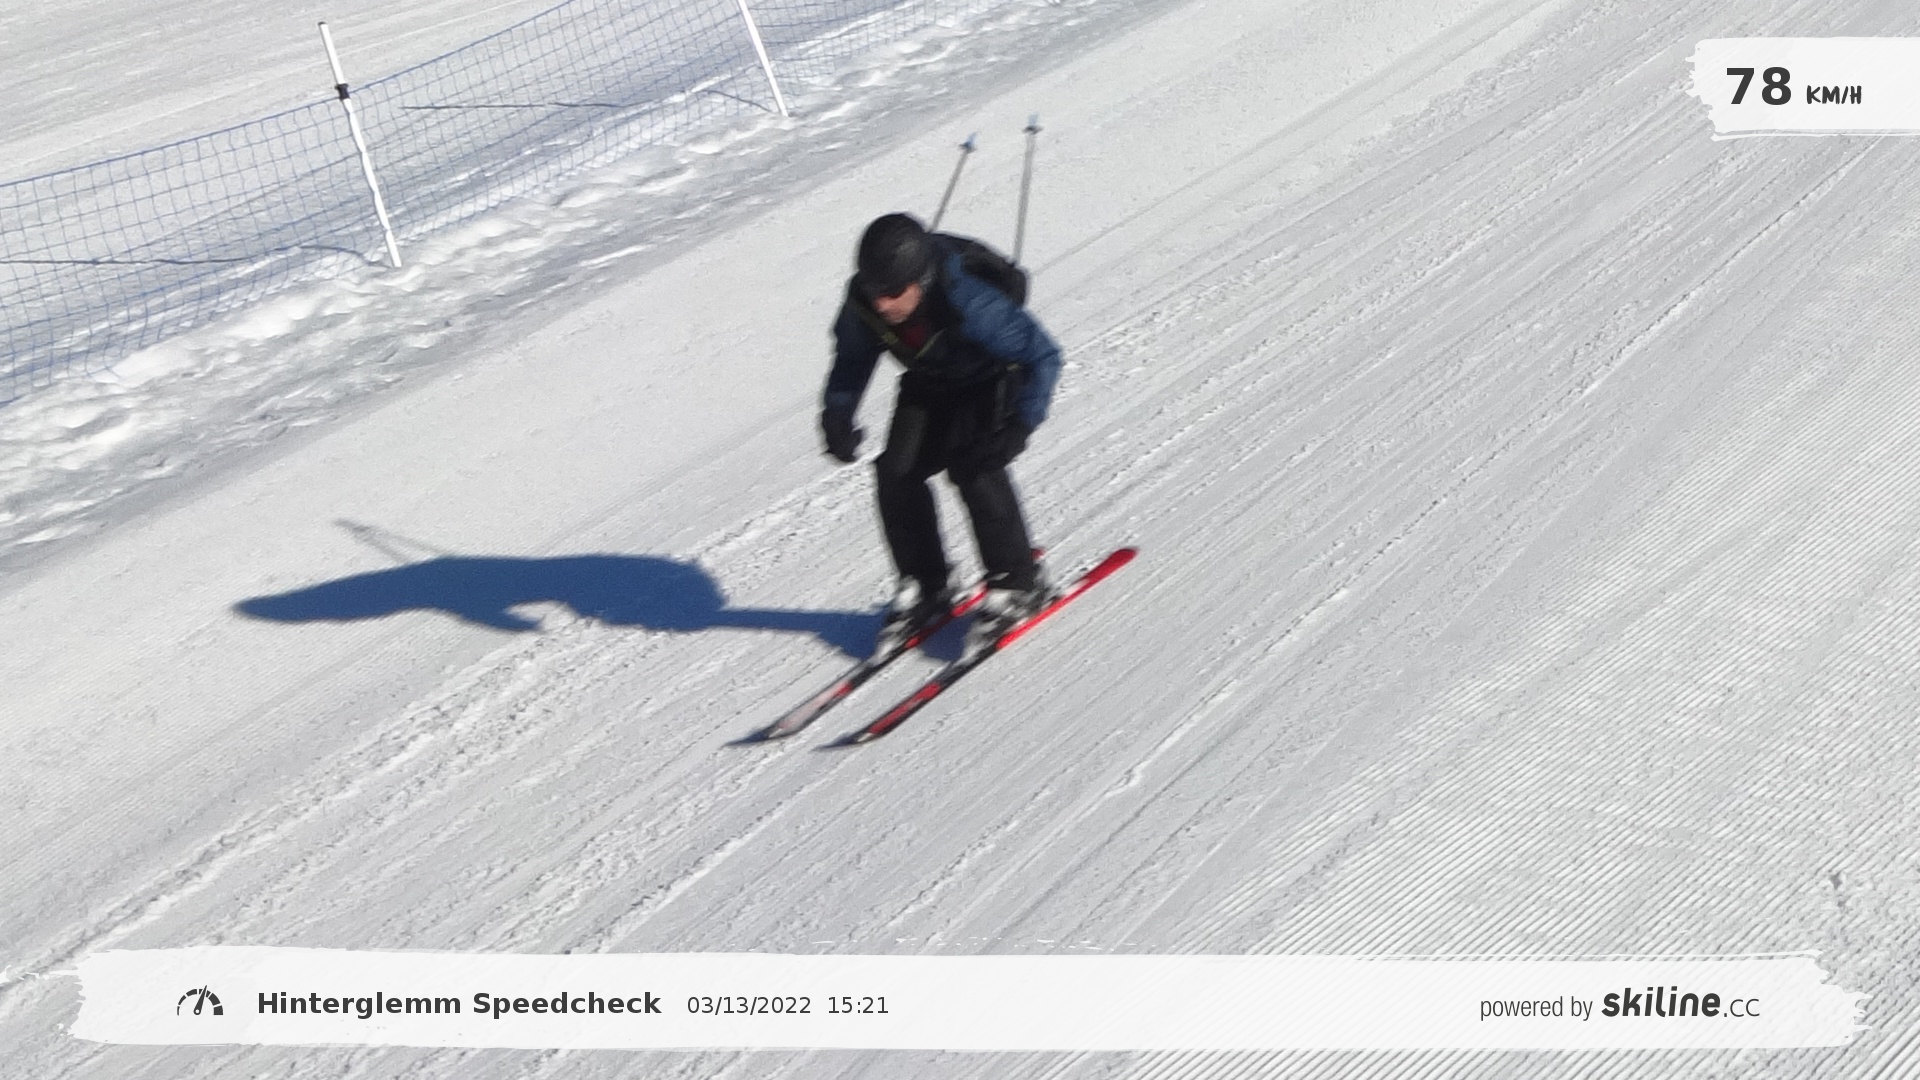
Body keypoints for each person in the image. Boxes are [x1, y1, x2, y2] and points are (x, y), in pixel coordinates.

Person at [820, 212, 1063, 643]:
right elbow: (853, 357)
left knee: (975, 465)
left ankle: (1019, 583)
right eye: (875, 290)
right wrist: (838, 413)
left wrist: (1020, 425)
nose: (882, 304)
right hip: (931, 381)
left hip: (988, 378)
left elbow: (1042, 355)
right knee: (896, 472)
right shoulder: (865, 300)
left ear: (922, 281)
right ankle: (927, 585)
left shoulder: (967, 300)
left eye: (893, 292)